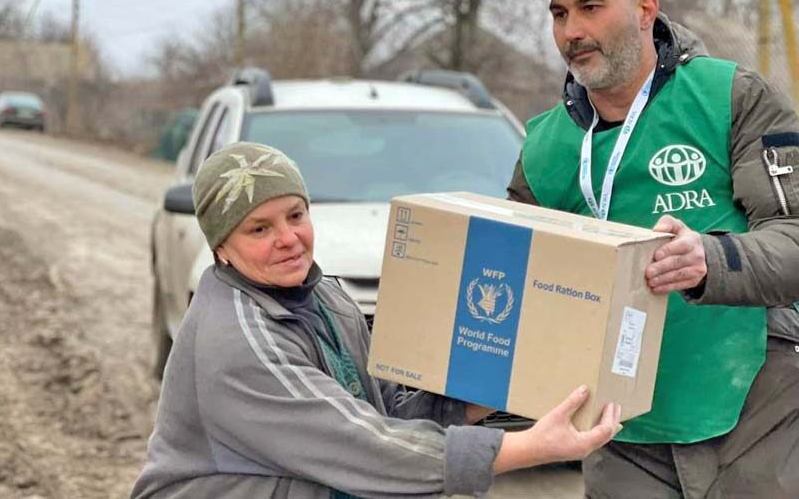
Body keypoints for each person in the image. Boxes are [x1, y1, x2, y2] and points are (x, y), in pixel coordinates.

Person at [509, 0, 799, 497]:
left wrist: (711, 259)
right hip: (627, 448)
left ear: (645, 9)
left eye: (590, 7)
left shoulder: (733, 97)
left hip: (771, 435)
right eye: (559, 15)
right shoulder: (543, 147)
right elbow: (513, 282)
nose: (572, 31)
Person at [131, 142, 623, 499]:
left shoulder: (325, 297)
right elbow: (365, 449)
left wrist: (481, 393)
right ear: (221, 248)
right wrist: (526, 447)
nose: (288, 238)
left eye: (296, 215)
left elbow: (381, 414)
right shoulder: (238, 342)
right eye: (260, 228)